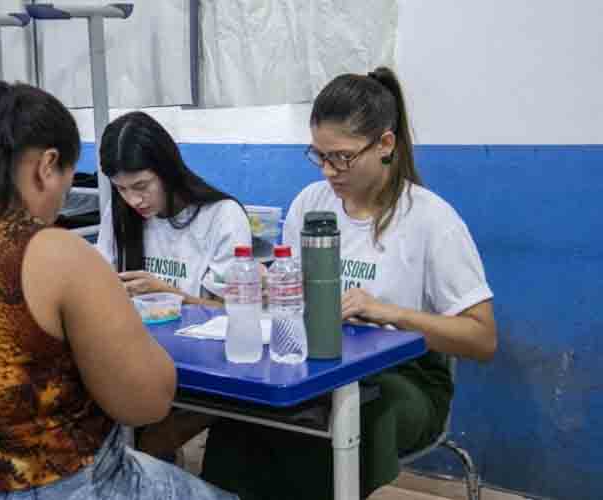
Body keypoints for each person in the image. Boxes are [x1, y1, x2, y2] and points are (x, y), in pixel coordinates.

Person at [0, 81, 236, 500]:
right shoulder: (50, 252)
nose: (60, 204)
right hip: (29, 486)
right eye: (67, 182)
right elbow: (146, 403)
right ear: (47, 166)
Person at [202, 67, 498, 499]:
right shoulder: (311, 204)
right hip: (317, 361)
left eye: (342, 157)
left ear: (385, 144)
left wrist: (387, 312)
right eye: (319, 156)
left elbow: (482, 339)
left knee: (336, 427)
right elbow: (294, 297)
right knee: (240, 422)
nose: (329, 171)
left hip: (404, 377)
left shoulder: (431, 220)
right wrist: (271, 289)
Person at [97, 111, 252, 307]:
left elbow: (233, 310)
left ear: (167, 170)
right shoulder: (119, 213)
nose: (133, 200)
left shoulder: (223, 216)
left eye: (141, 186)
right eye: (121, 188)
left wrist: (167, 295)